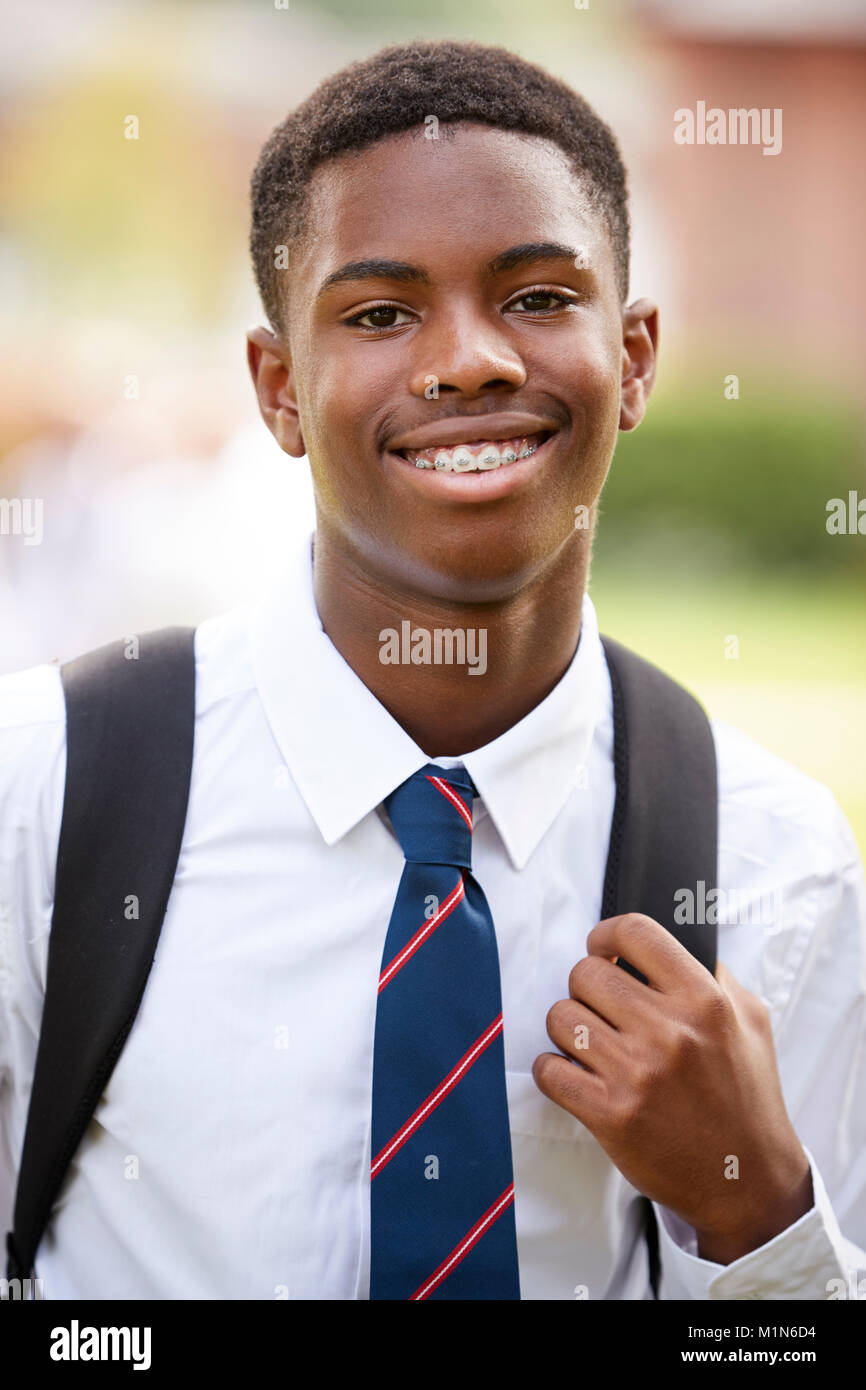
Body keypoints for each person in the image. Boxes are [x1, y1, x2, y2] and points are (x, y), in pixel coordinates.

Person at [1, 39, 864, 1301]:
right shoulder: (49, 791)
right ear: (279, 387)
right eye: (379, 312)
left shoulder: (773, 865)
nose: (467, 359)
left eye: (535, 296)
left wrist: (755, 1211)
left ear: (630, 359)